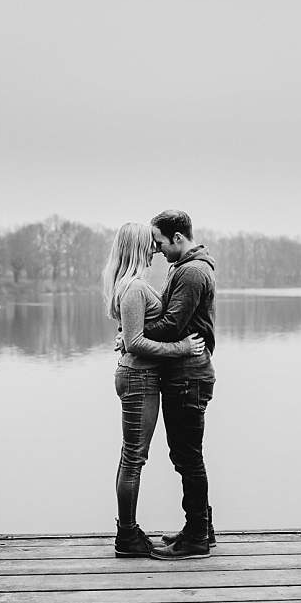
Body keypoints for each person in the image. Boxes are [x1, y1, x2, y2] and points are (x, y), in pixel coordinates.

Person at [102, 222, 206, 558]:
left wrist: (130, 337)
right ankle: (127, 537)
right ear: (136, 247)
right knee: (133, 458)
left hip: (142, 378)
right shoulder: (133, 288)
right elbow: (135, 342)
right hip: (138, 379)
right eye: (150, 244)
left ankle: (130, 533)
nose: (155, 249)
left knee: (133, 457)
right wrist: (182, 350)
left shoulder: (137, 285)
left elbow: (132, 334)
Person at [140, 209, 218, 560]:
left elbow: (173, 325)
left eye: (159, 242)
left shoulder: (191, 272)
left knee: (187, 458)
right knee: (187, 456)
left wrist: (133, 334)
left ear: (177, 237)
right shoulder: (188, 268)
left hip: (188, 375)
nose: (157, 250)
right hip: (187, 373)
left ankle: (197, 538)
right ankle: (199, 529)